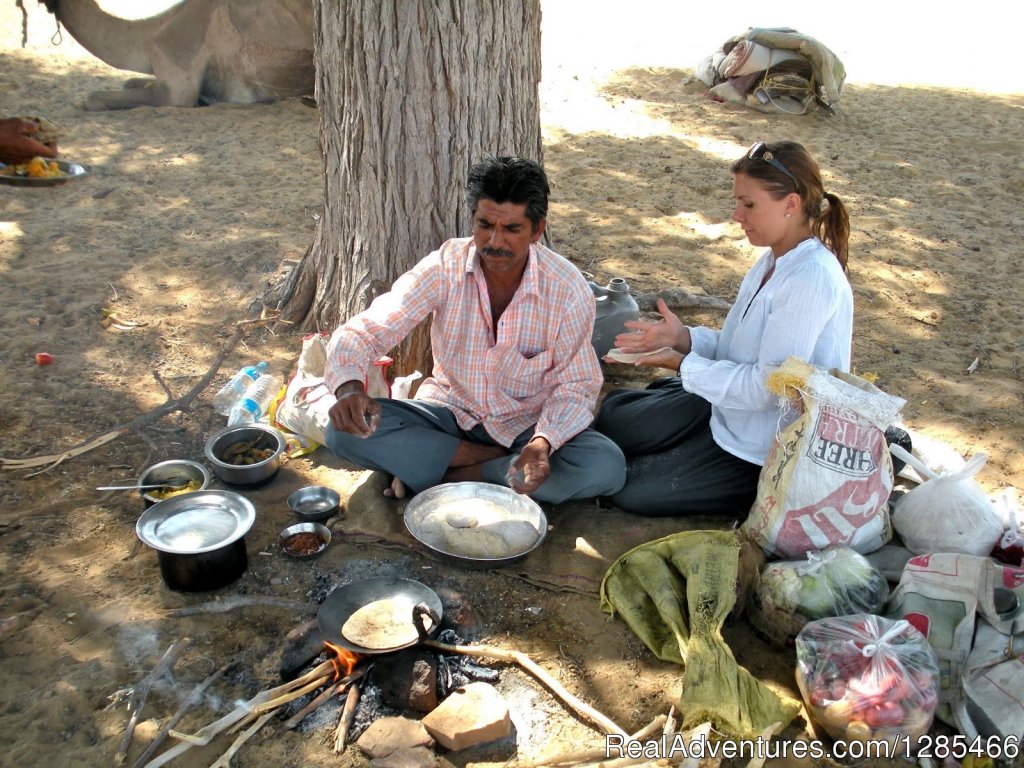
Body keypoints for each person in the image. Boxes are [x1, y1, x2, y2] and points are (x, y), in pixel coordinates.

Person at [323, 156, 627, 504]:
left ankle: (445, 475)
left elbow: (578, 385)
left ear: (537, 230)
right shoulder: (445, 266)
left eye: (511, 229)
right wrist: (348, 389)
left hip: (526, 428)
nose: (494, 242)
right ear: (473, 219)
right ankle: (486, 466)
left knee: (605, 466)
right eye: (485, 225)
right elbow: (367, 329)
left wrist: (542, 443)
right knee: (341, 433)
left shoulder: (567, 289)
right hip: (449, 417)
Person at [594, 140, 853, 516]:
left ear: (791, 204)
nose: (737, 215)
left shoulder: (810, 278)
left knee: (631, 490)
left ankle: (740, 485)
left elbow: (766, 392)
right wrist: (681, 339)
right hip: (728, 407)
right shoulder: (773, 259)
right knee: (615, 417)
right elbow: (739, 347)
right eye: (738, 203)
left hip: (763, 444)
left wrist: (680, 366)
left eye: (748, 204)